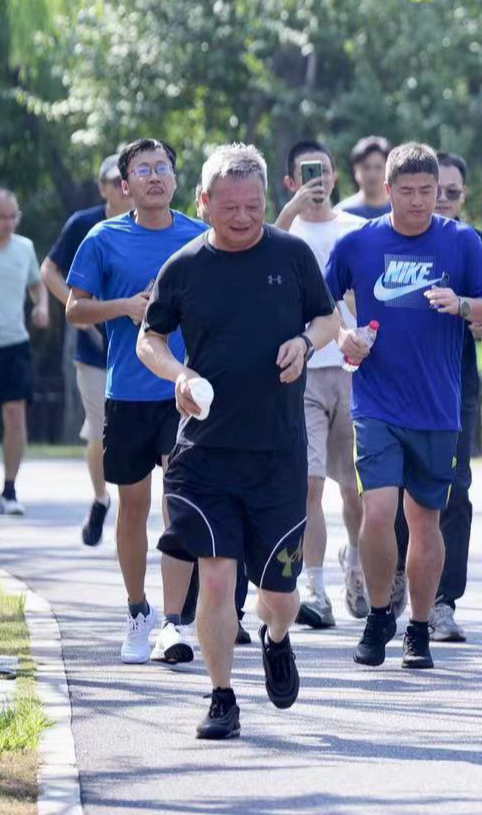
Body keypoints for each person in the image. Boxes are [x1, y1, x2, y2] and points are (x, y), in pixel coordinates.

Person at [135, 144, 340, 740]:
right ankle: (221, 696)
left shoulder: (291, 255)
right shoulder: (184, 267)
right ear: (204, 202)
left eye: (254, 206)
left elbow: (328, 319)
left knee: (279, 594)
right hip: (206, 453)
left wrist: (306, 342)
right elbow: (150, 339)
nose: (244, 217)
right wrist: (179, 376)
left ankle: (277, 638)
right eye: (230, 207)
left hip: (277, 452)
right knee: (219, 577)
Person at [326, 143, 482, 672]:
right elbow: (320, 300)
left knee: (425, 520)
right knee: (379, 511)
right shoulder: (359, 243)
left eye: (429, 191)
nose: (420, 201)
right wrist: (344, 334)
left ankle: (419, 627)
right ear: (388, 190)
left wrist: (462, 305)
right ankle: (380, 614)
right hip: (376, 401)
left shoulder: (462, 242)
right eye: (408, 192)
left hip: (437, 405)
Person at [65, 138, 211, 664]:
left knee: (179, 504)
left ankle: (173, 622)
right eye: (143, 170)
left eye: (162, 167)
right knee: (133, 506)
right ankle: (136, 611)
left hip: (180, 392)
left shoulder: (199, 237)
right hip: (126, 393)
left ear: (175, 179)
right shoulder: (103, 238)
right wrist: (125, 306)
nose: (154, 176)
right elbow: (75, 309)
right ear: (125, 185)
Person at [274, 140, 367, 629]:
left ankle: (356, 561)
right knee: (309, 482)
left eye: (326, 171)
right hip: (303, 371)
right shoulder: (283, 230)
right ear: (291, 181)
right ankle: (314, 585)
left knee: (354, 488)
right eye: (308, 173)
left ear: (336, 177)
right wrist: (290, 210)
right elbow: (264, 257)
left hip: (351, 370)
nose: (319, 180)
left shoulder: (354, 229)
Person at [427, 152, 482, 644]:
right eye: (435, 192)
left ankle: (443, 601)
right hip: (399, 385)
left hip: (457, 383)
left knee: (454, 489)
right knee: (394, 494)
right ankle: (394, 575)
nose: (442, 202)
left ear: (463, 195)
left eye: (452, 193)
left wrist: (471, 313)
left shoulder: (477, 243)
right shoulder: (384, 240)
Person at [41, 155, 129, 544]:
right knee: (99, 429)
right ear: (103, 188)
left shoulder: (153, 224)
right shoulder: (84, 224)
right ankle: (100, 498)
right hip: (94, 349)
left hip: (139, 349)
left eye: (126, 179)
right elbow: (49, 270)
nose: (122, 187)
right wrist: (76, 306)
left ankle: (134, 506)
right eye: (114, 181)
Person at [0, 188, 50, 515]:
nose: (9, 223)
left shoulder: (24, 247)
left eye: (13, 216)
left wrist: (41, 306)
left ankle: (9, 490)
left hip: (15, 345)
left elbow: (36, 283)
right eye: (2, 217)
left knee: (16, 413)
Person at [338, 136, 392, 219]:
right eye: (366, 167)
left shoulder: (400, 210)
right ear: (355, 170)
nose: (372, 174)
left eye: (378, 167)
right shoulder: (342, 213)